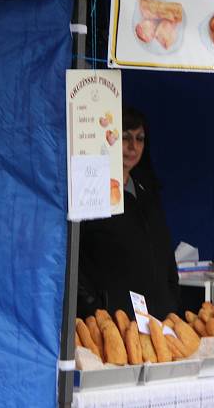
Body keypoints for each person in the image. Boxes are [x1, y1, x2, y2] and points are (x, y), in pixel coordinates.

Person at [77, 107, 181, 319]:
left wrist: (170, 300)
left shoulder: (148, 192)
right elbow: (74, 260)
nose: (133, 147)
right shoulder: (88, 191)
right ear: (109, 138)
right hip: (113, 323)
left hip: (156, 321)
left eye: (140, 138)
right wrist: (96, 308)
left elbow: (165, 254)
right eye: (125, 137)